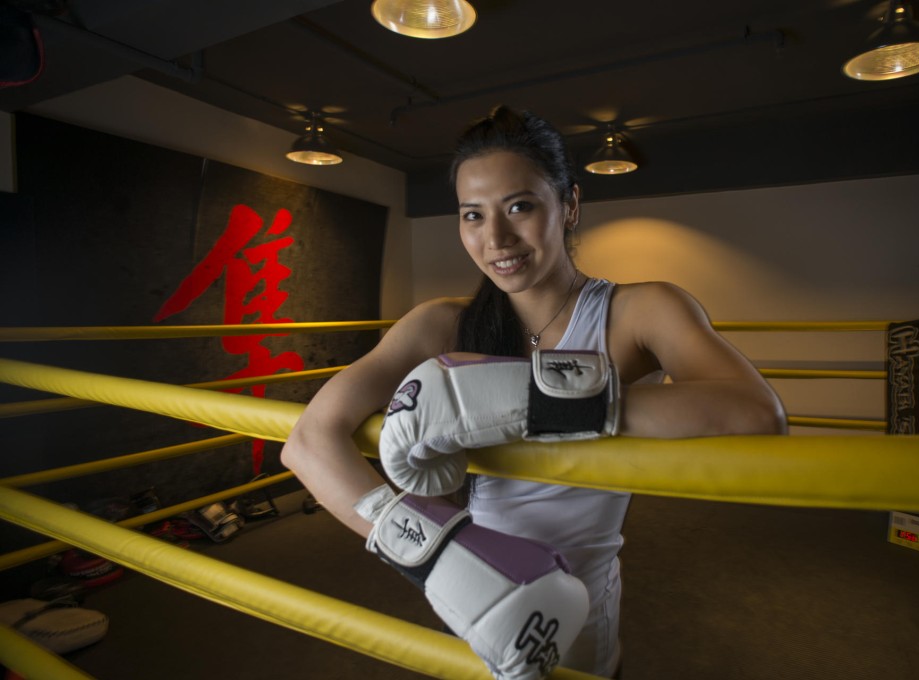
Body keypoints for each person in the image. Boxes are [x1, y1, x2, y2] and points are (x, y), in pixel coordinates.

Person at [281, 105, 787, 678]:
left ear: (569, 206)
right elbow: (308, 441)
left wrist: (536, 398)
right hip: (469, 586)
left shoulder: (638, 311)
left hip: (581, 593)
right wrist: (435, 555)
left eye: (519, 206)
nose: (496, 237)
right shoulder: (440, 325)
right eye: (473, 215)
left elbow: (756, 411)